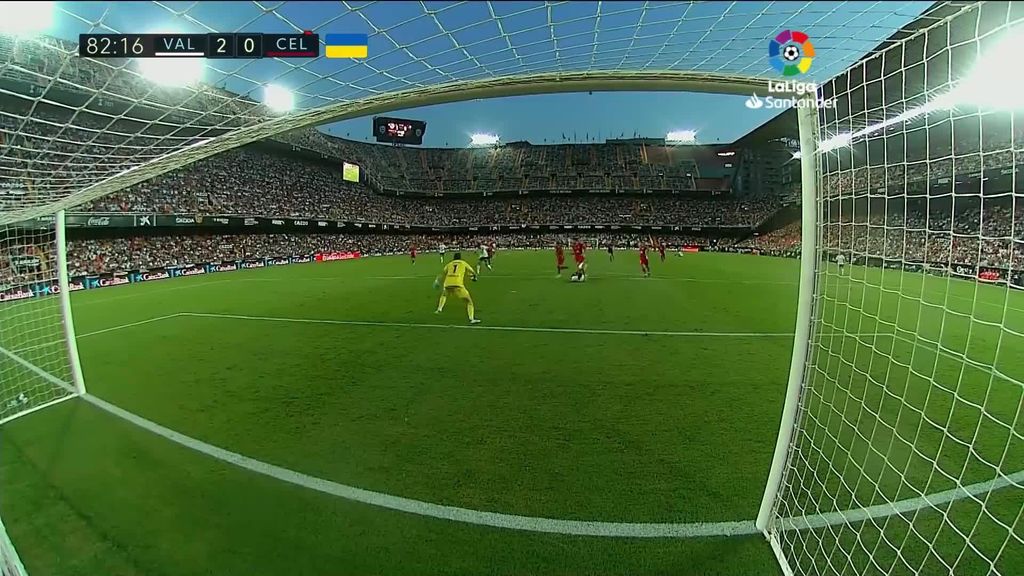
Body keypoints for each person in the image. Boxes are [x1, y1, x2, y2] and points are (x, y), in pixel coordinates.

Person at [434, 252, 481, 324]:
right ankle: (471, 319)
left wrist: (437, 281)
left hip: (447, 283)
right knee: (469, 302)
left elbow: (442, 273)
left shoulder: (449, 264)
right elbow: (472, 271)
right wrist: (474, 277)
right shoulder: (463, 263)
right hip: (457, 284)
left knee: (444, 295)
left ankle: (439, 309)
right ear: (460, 257)